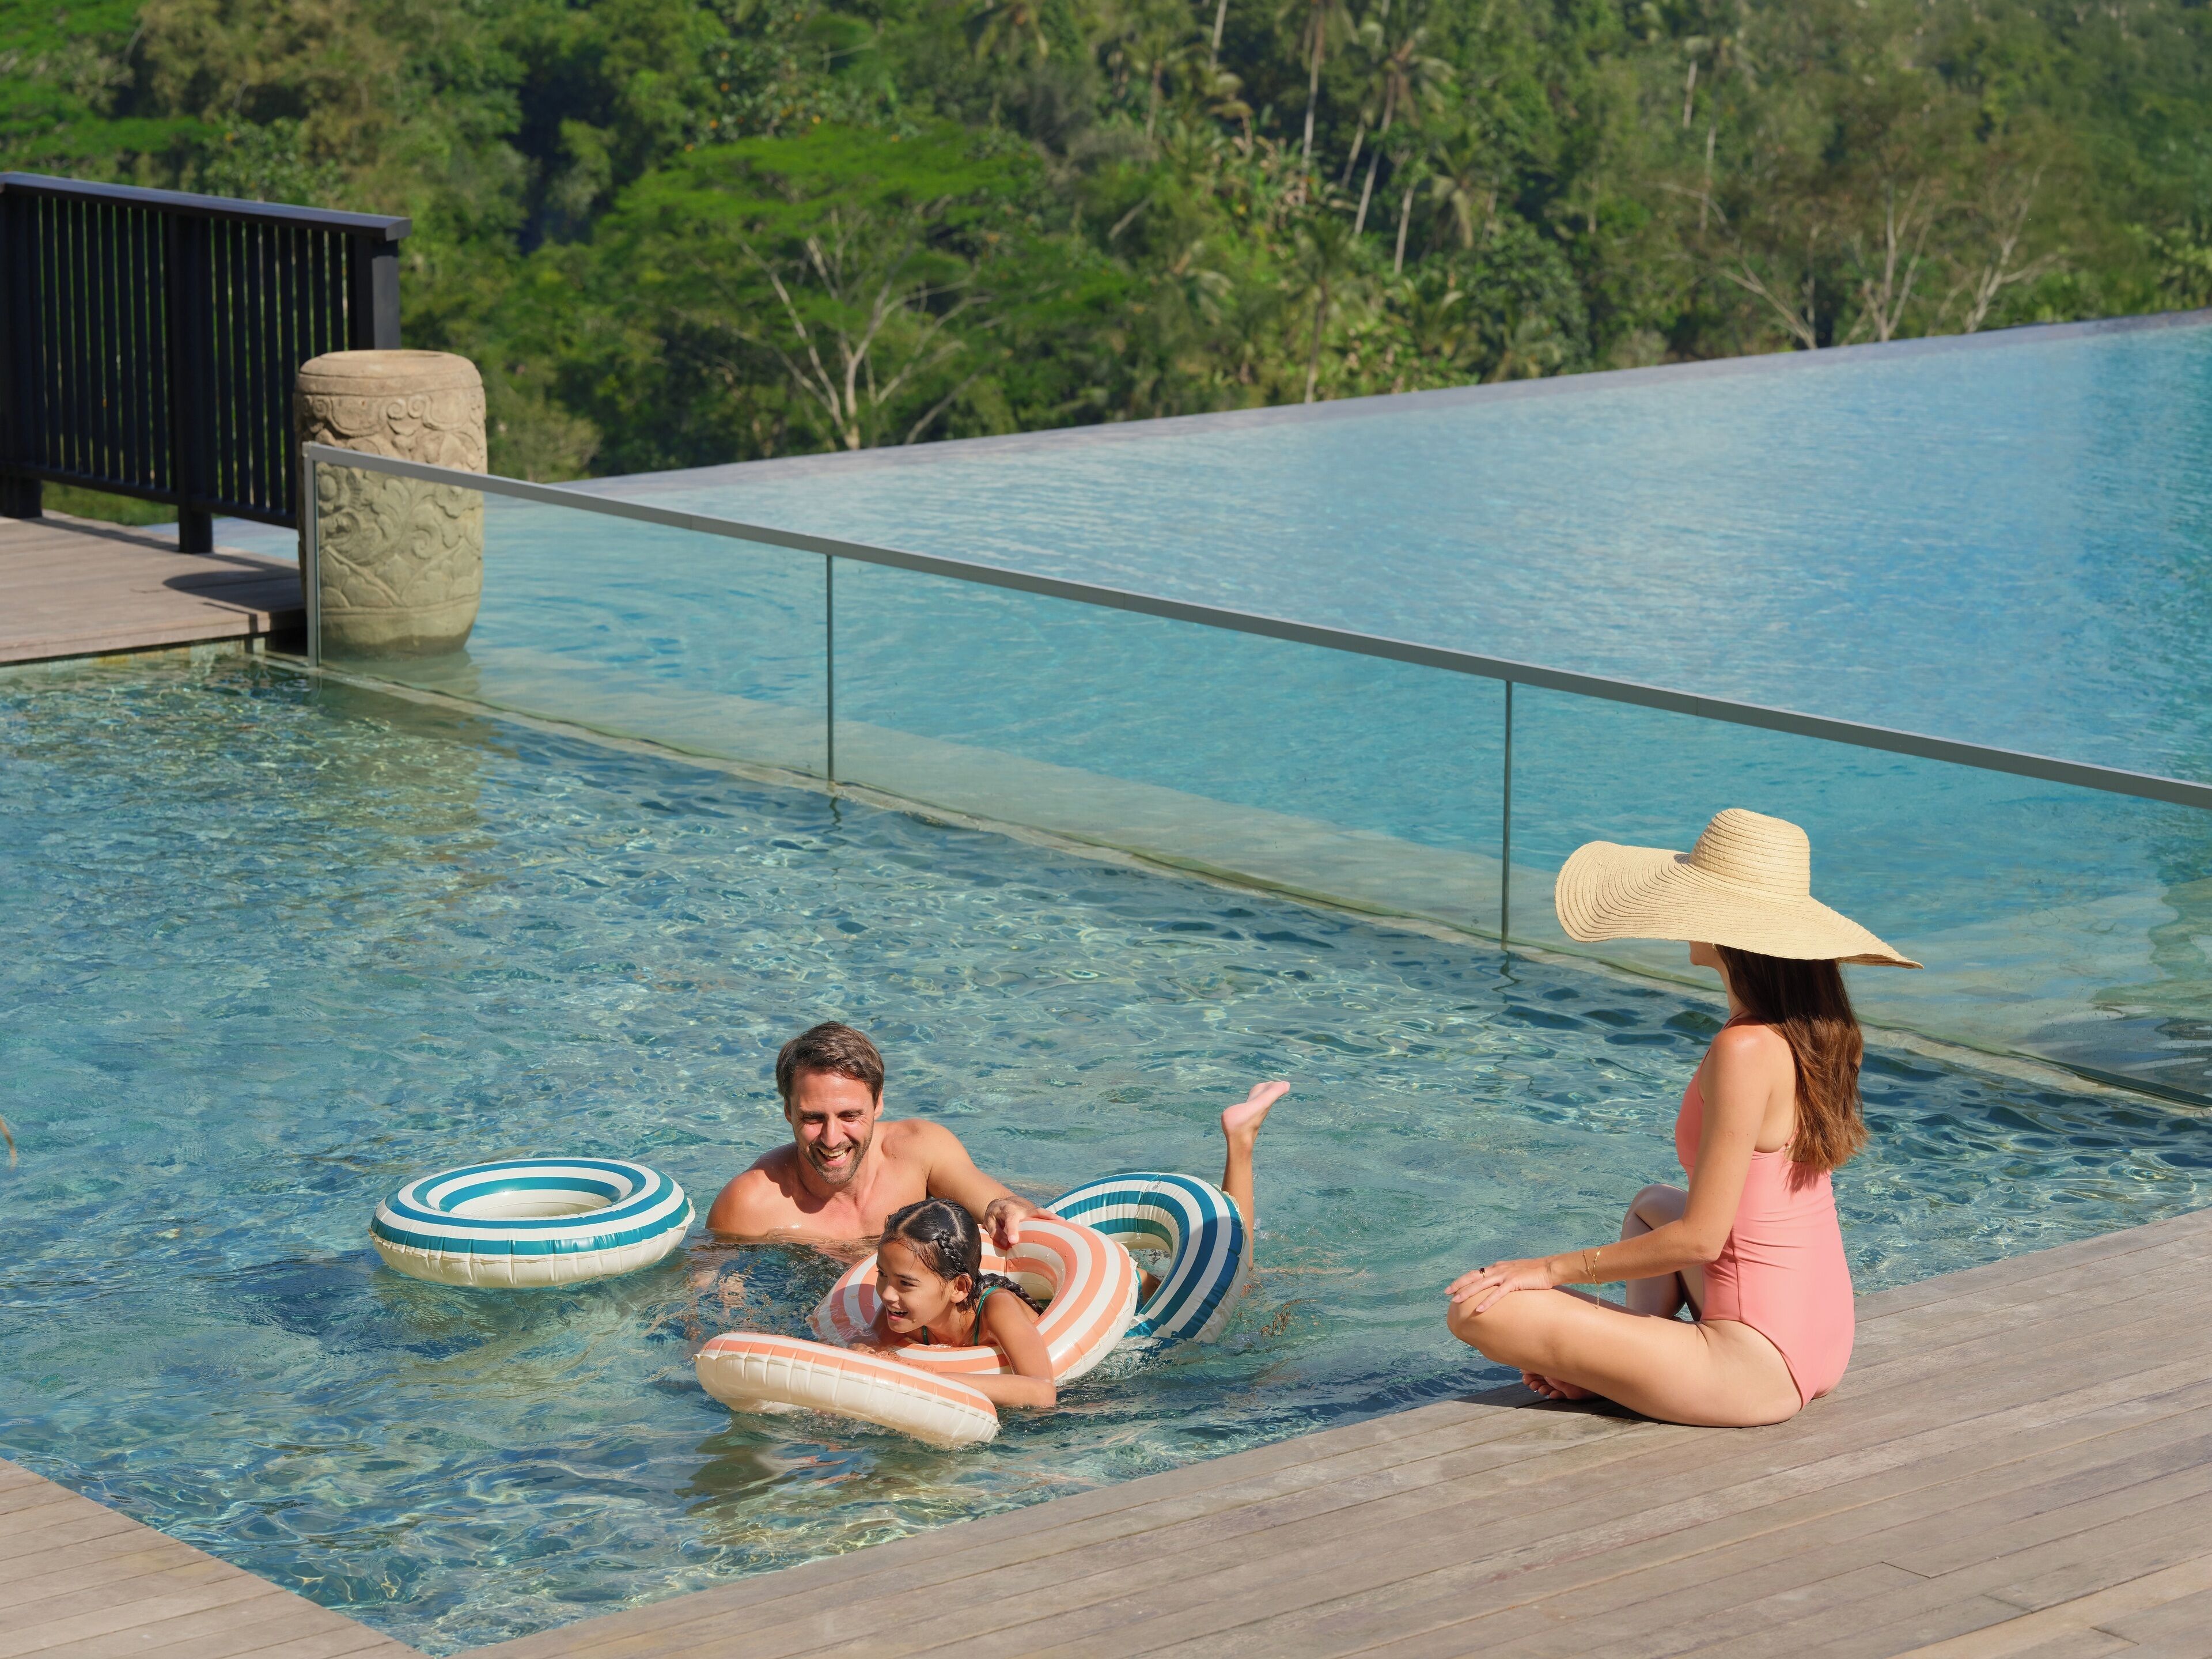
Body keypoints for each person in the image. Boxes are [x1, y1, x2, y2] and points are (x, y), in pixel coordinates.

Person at [1446, 808, 1919, 1427]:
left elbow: (1702, 1239)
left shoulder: (1744, 1049)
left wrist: (1546, 1269)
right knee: (1650, 1205)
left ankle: (1614, 1365)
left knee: (1479, 1308)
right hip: (1820, 1336)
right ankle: (1623, 1360)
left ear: (1726, 931)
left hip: (1756, 1366)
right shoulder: (1810, 1033)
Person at [705, 1019, 1288, 1249]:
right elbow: (705, 1308)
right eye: (813, 1118)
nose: (832, 1138)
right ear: (787, 1113)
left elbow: (989, 1196)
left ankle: (1240, 1144)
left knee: (1204, 1288)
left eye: (850, 1116)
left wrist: (1008, 1207)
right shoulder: (751, 1205)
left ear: (879, 1106)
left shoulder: (919, 1150)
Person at [859, 1197, 1058, 1408]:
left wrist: (939, 1382)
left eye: (905, 1283)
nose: (887, 1294)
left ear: (959, 1288)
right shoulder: (898, 1309)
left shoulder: (997, 1309)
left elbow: (1043, 1392)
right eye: (882, 1274)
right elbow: (864, 1350)